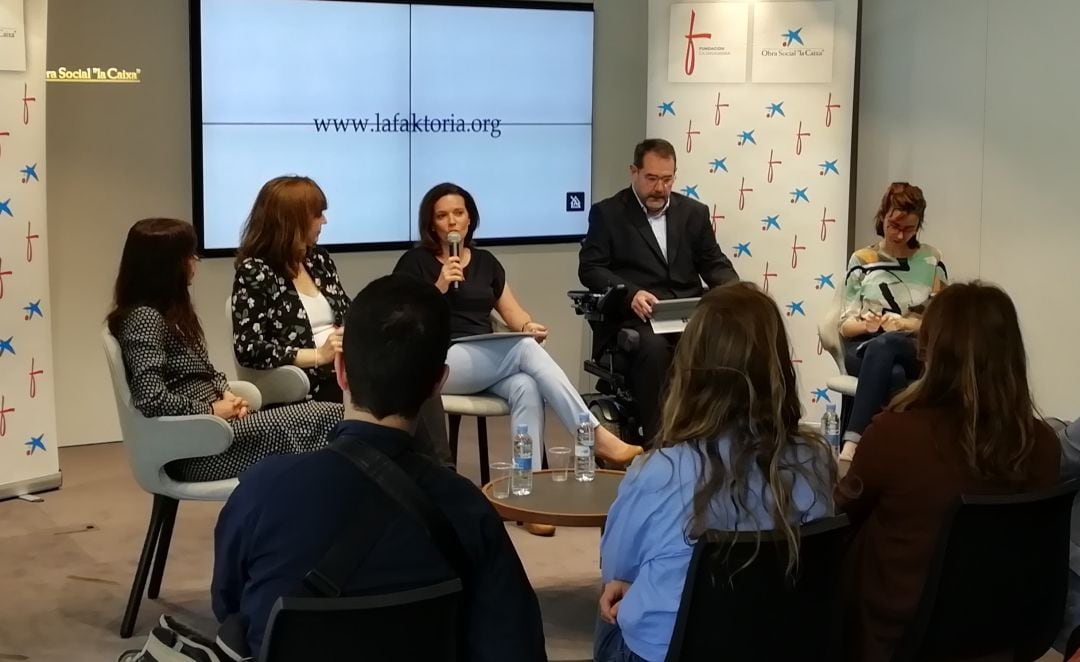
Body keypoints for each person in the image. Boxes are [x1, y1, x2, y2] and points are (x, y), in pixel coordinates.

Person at [212, 274, 547, 660]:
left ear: (340, 370)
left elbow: (230, 609)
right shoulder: (468, 510)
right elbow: (515, 646)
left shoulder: (261, 491)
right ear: (438, 384)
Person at [595, 282, 835, 662]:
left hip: (670, 651)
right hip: (781, 643)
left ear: (691, 369)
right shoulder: (815, 460)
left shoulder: (658, 471)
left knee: (611, 610)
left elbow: (616, 565)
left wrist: (628, 583)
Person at [836, 281, 1060, 662]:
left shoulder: (894, 435)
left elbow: (842, 515)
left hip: (896, 640)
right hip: (1003, 638)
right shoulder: (1042, 444)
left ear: (932, 351)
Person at [393, 182, 643, 471]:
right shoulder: (414, 263)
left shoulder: (486, 262)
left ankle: (528, 486)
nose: (452, 221)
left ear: (469, 218)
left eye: (458, 213)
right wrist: (439, 286)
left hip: (484, 359)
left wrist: (528, 325)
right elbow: (404, 321)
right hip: (437, 363)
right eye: (442, 215)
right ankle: (592, 433)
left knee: (526, 386)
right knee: (523, 349)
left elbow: (513, 313)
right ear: (431, 224)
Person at [231, 175, 451, 465]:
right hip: (313, 376)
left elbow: (349, 311)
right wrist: (317, 355)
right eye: (317, 215)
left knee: (415, 370)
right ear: (292, 219)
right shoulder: (256, 272)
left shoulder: (318, 260)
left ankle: (438, 470)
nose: (324, 222)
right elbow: (248, 348)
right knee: (399, 385)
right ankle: (425, 476)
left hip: (348, 361)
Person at [106, 218, 340, 481]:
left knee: (326, 418)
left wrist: (227, 395)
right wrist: (212, 411)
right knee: (327, 417)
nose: (195, 261)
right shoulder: (144, 318)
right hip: (198, 449)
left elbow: (205, 371)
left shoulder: (171, 315)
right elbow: (151, 398)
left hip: (218, 432)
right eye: (189, 255)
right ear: (167, 265)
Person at [579, 138, 738, 443]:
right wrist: (630, 294)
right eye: (651, 179)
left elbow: (714, 264)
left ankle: (720, 435)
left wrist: (739, 294)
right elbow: (590, 268)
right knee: (652, 349)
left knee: (726, 341)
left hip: (687, 316)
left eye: (667, 180)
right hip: (637, 318)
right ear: (634, 172)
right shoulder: (609, 214)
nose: (660, 188)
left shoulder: (694, 213)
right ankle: (660, 442)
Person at [837, 182, 947, 460]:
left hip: (914, 346)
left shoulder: (931, 260)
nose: (900, 234)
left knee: (888, 345)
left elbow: (944, 322)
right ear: (882, 216)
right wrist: (867, 325)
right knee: (892, 371)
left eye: (909, 228)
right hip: (864, 346)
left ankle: (853, 445)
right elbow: (845, 326)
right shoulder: (862, 259)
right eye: (893, 225)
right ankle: (901, 453)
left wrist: (906, 325)